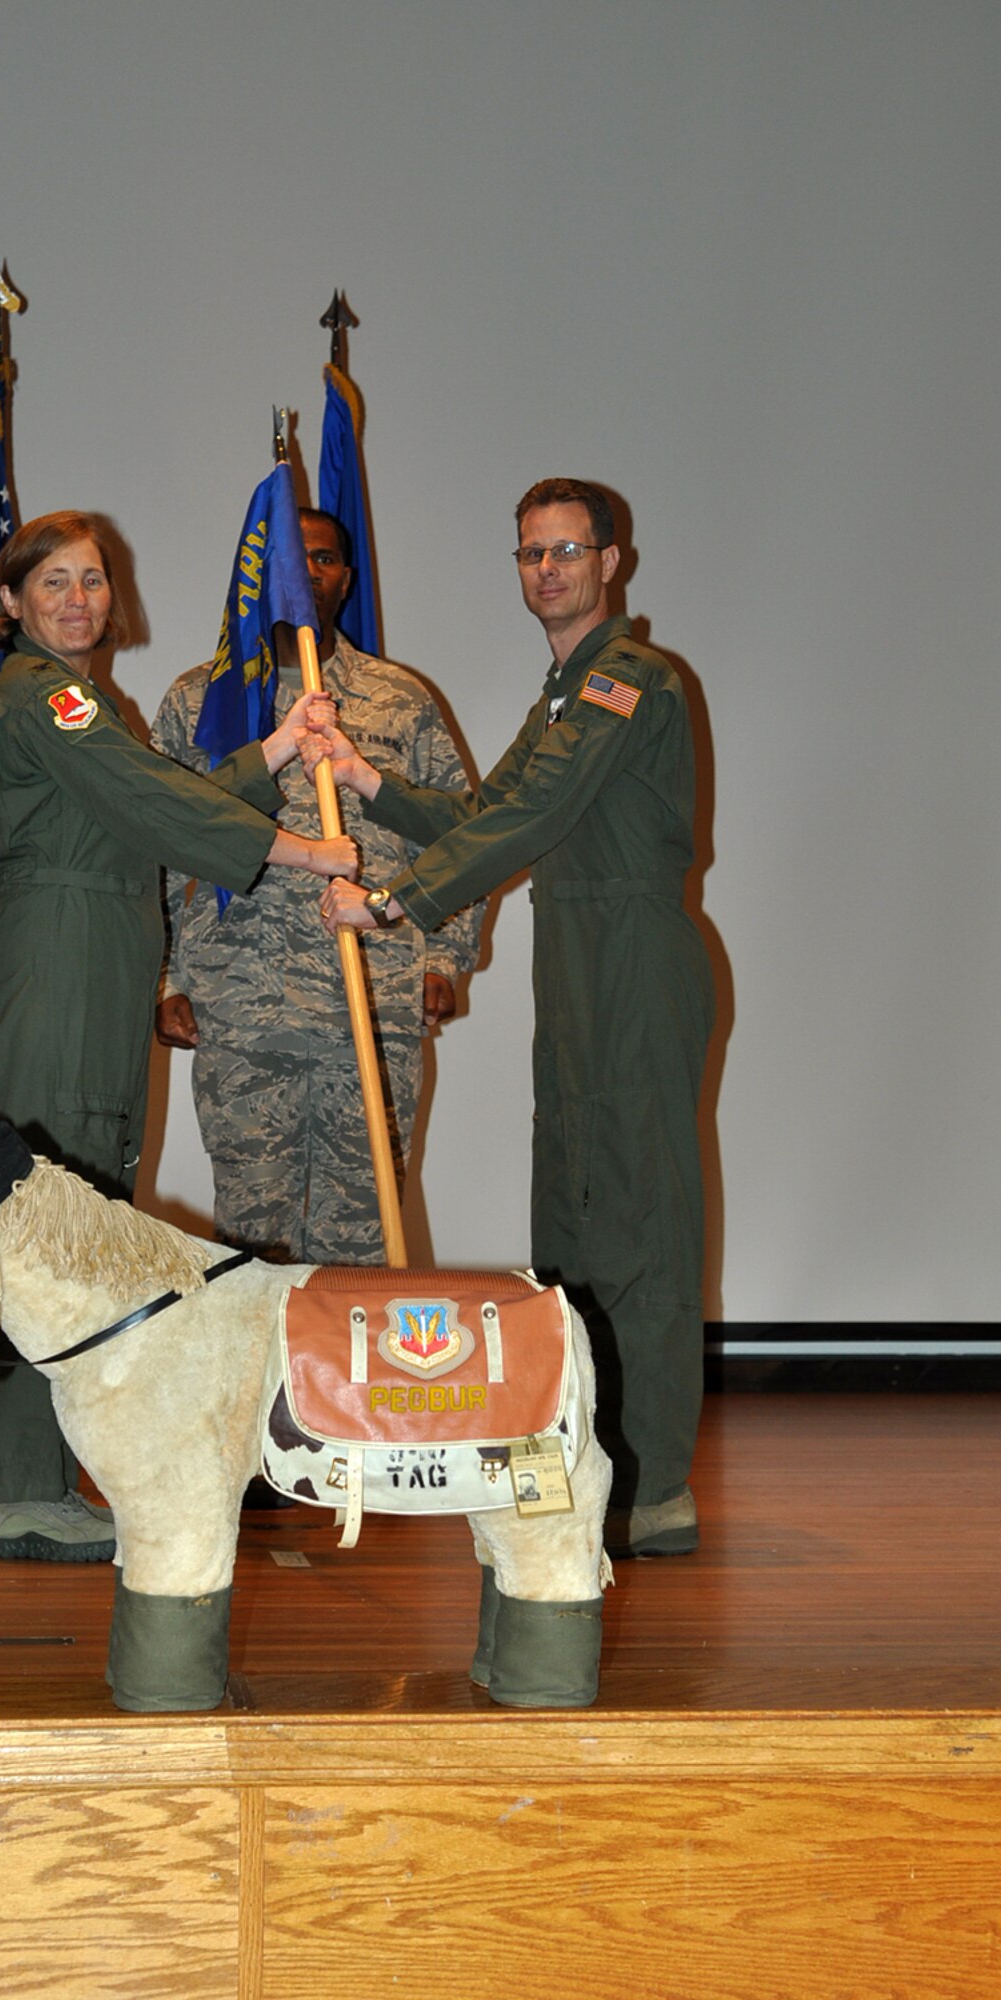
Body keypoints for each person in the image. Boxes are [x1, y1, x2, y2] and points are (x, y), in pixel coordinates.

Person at [315, 479, 714, 1556]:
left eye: (566, 550)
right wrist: (371, 783)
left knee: (638, 1216)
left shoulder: (629, 680)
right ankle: (589, 1456)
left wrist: (395, 899)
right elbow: (491, 808)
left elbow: (531, 815)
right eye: (529, 553)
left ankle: (656, 1482)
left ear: (611, 561)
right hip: (580, 955)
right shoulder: (563, 692)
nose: (546, 569)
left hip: (631, 953)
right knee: (576, 1211)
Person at [0, 510, 355, 1559]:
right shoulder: (45, 693)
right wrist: (302, 853)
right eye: (52, 581)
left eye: (91, 579)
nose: (77, 598)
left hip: (88, 959)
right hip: (59, 961)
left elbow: (150, 798)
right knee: (40, 1223)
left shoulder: (87, 701)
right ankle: (18, 1485)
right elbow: (151, 797)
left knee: (79, 1214)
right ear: (9, 600)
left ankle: (42, 1476)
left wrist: (276, 746)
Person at [151, 508, 482, 1264]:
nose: (307, 575)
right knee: (251, 1241)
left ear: (345, 577)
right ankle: (267, 1391)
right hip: (241, 1011)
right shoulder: (202, 701)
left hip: (373, 999)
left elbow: (463, 833)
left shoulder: (401, 698)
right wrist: (165, 975)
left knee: (364, 1242)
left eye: (324, 559)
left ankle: (351, 1389)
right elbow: (155, 846)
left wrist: (445, 957)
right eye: (291, 560)